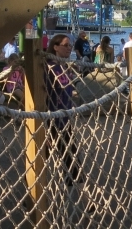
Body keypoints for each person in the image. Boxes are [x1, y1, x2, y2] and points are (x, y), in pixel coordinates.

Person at [45, 34, 80, 183]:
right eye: (66, 45)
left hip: (64, 118)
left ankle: (83, 195)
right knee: (41, 157)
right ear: (55, 47)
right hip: (51, 118)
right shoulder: (49, 66)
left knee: (71, 158)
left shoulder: (63, 66)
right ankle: (31, 197)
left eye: (70, 45)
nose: (69, 48)